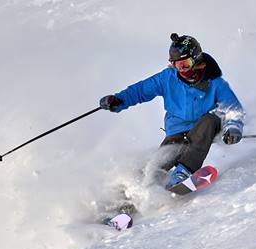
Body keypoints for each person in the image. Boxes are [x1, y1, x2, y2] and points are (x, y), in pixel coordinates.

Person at [100, 33, 244, 190]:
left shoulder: (215, 82)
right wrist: (119, 100)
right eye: (177, 64)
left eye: (185, 64)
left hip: (203, 128)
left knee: (211, 120)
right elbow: (140, 90)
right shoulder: (168, 78)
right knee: (160, 162)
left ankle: (183, 172)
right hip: (176, 130)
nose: (181, 69)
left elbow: (232, 108)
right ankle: (135, 195)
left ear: (196, 59)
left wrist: (233, 127)